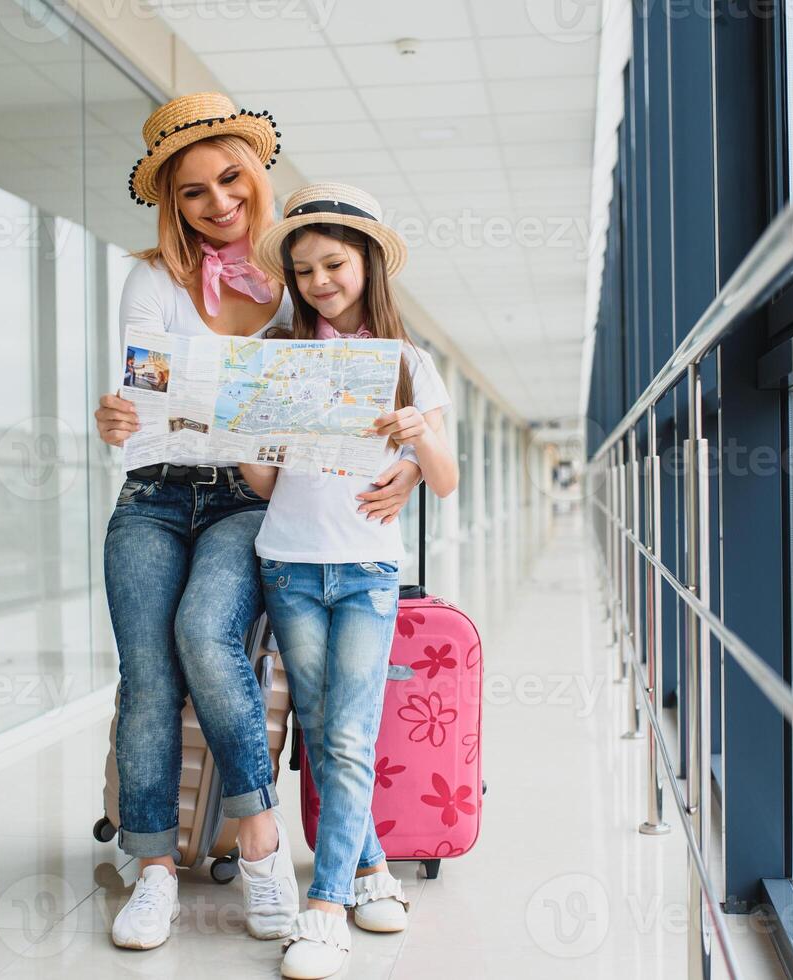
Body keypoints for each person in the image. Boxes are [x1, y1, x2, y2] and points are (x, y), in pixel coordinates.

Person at [92, 95, 424, 953]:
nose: (217, 203)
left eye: (230, 178)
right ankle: (156, 868)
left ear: (259, 174)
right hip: (153, 495)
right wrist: (113, 419)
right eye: (192, 192)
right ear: (171, 204)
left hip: (251, 501)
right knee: (147, 673)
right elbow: (139, 396)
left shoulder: (301, 278)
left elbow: (381, 383)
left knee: (207, 633)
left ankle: (263, 840)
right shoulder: (150, 279)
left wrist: (415, 463)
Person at [239, 183, 458, 980]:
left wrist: (414, 436)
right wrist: (252, 435)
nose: (319, 281)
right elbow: (264, 487)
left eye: (333, 263)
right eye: (303, 270)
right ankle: (370, 871)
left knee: (347, 736)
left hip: (366, 571)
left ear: (367, 263)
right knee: (326, 728)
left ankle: (324, 908)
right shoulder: (277, 355)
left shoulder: (407, 362)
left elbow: (445, 478)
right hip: (289, 563)